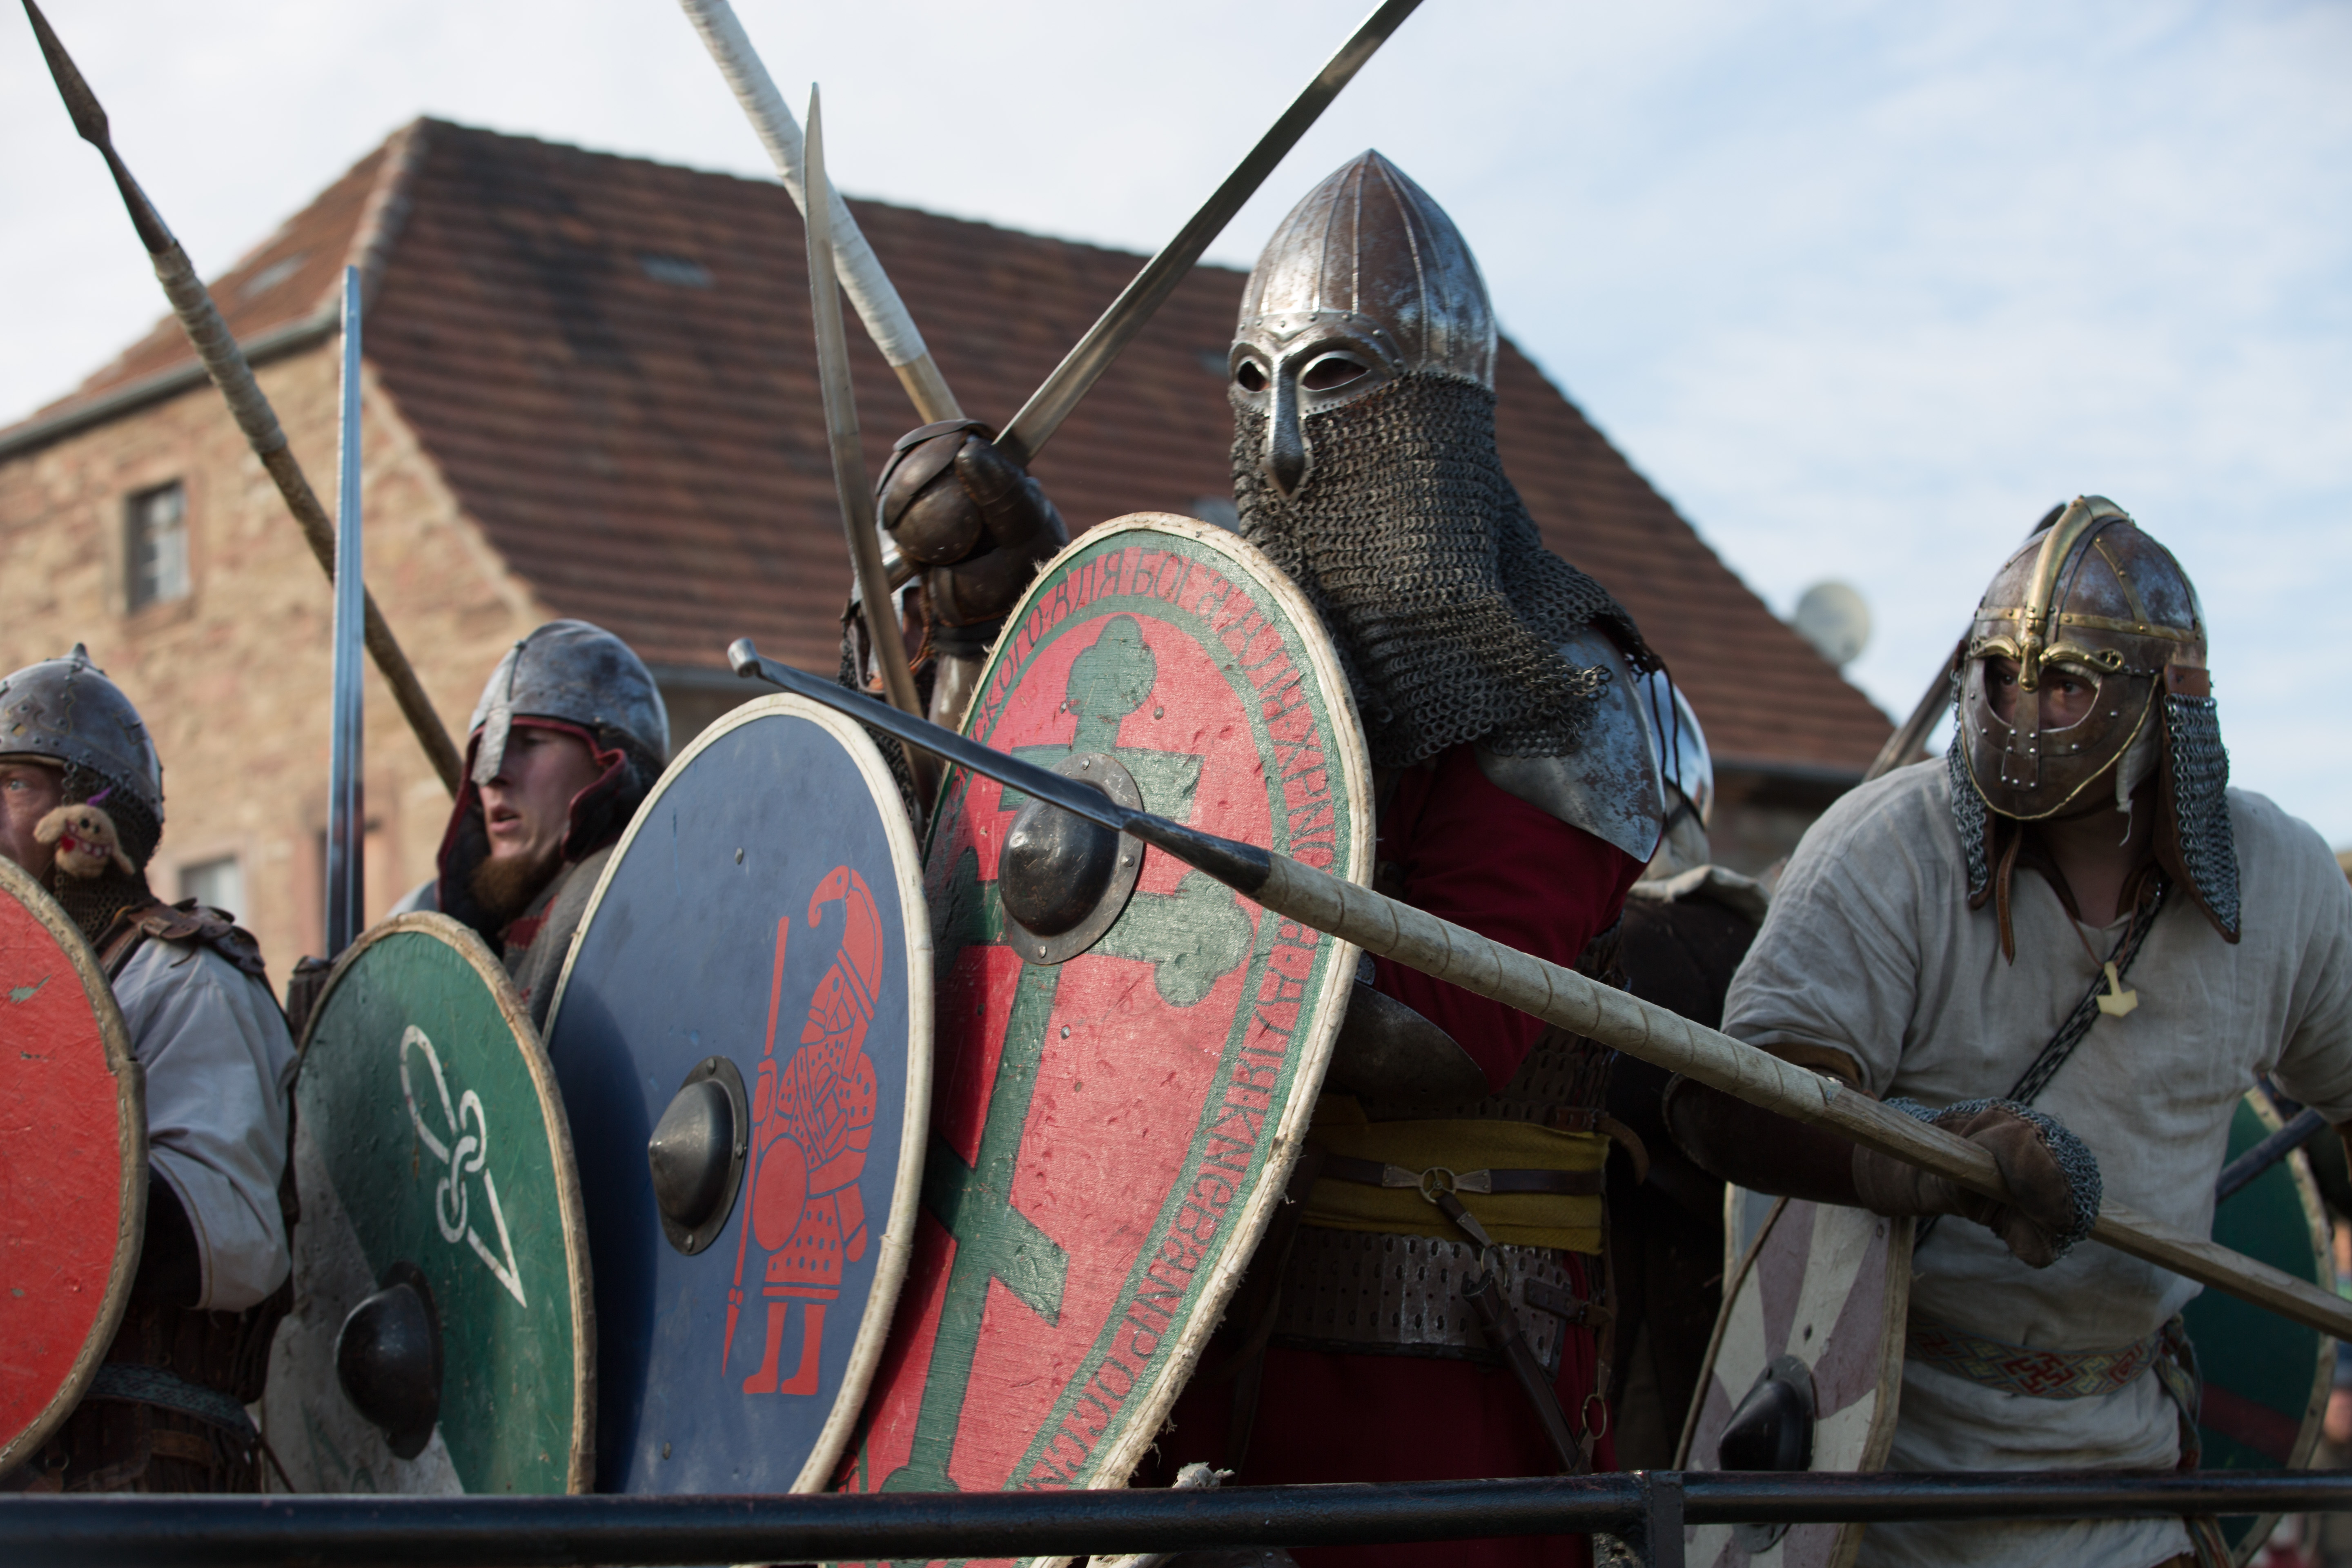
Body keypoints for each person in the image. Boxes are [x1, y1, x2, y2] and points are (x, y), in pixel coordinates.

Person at [1116, 150, 1671, 1568]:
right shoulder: (1239, 654)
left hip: (1438, 1359)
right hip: (1195, 1335)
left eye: (1335, 381)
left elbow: (1443, 1032)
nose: (1286, 443)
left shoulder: (1560, 688)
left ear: (1440, 416)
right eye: (1255, 386)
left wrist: (1151, 928)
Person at [1666, 498, 2352, 1568]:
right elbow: (1734, 1103)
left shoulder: (2287, 880)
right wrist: (1931, 1157)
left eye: (2068, 680)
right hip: (1873, 1473)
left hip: (2124, 1471)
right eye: (2000, 675)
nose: (2025, 710)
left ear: (2168, 698)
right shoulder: (1888, 844)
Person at [0, 646, 297, 1493]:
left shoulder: (183, 978)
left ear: (92, 810)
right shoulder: (18, 1007)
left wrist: (45, 1169)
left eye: (13, 784)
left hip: (144, 1475)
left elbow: (231, 1239)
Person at [392, 620, 668, 1029]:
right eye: (488, 752)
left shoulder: (618, 906)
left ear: (609, 764)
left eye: (531, 744)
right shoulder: (497, 928)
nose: (493, 777)